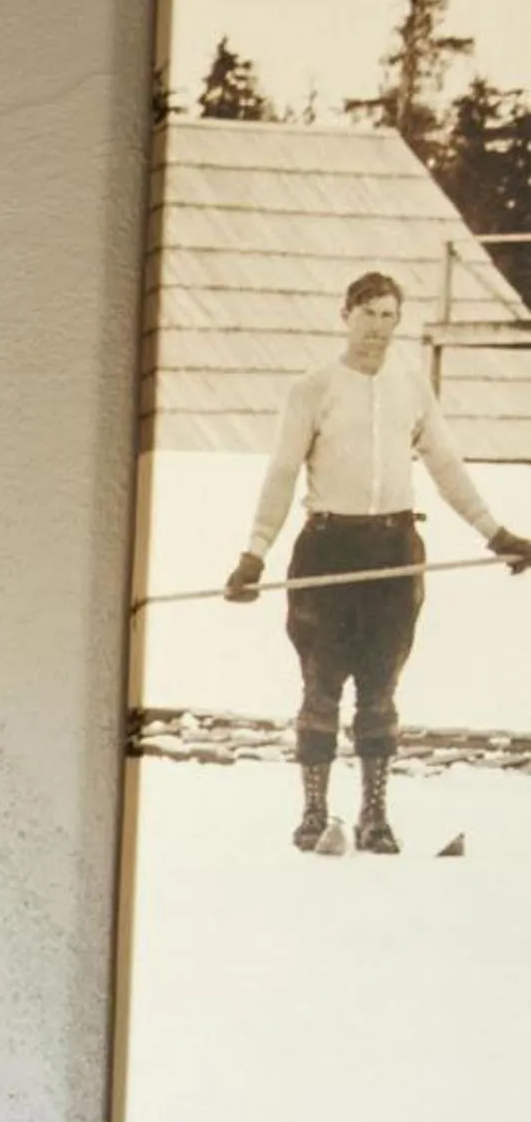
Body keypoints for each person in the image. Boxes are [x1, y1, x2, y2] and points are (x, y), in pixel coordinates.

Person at [228, 271, 531, 856]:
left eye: (389, 316)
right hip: (327, 552)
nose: (378, 328)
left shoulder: (411, 387)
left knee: (380, 688)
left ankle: (375, 816)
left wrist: (495, 534)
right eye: (368, 314)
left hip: (393, 554)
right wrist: (254, 554)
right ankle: (314, 812)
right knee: (321, 684)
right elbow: (282, 474)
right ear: (345, 315)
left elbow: (446, 466)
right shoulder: (313, 389)